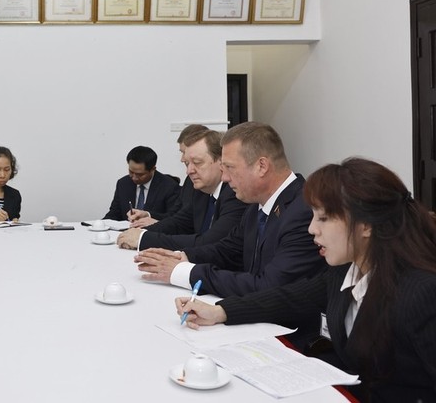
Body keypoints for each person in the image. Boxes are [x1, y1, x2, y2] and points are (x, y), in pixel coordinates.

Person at [176, 158, 436, 402]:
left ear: (366, 225)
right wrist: (220, 311)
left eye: (323, 218)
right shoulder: (345, 272)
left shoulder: (421, 294)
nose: (312, 228)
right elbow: (290, 297)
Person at [134, 122, 325, 297]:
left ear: (262, 166)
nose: (224, 178)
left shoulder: (304, 210)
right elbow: (228, 250)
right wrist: (182, 257)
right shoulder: (255, 206)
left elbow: (269, 285)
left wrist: (185, 272)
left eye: (230, 168)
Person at [117, 130, 248, 251]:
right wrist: (141, 232)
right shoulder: (201, 190)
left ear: (221, 162)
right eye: (187, 164)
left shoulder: (235, 194)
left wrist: (143, 239)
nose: (189, 171)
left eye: (197, 162)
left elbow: (210, 242)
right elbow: (179, 222)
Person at [130, 124, 209, 227]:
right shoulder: (189, 181)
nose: (182, 159)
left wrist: (159, 224)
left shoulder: (219, 188)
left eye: (185, 152)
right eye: (182, 152)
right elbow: (175, 215)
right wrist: (148, 215)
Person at [103, 145, 182, 222]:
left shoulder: (169, 186)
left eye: (140, 174)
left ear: (153, 169)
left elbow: (173, 218)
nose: (134, 177)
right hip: (126, 232)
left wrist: (148, 215)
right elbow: (114, 214)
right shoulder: (123, 183)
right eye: (131, 172)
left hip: (154, 233)